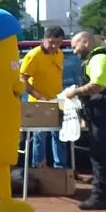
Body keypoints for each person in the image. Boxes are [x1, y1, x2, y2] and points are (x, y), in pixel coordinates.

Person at [62, 31, 106, 210]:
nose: (74, 51)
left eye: (75, 46)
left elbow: (98, 85)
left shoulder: (98, 59)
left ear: (85, 41)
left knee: (100, 156)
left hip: (103, 113)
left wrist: (74, 92)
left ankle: (100, 196)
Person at [20, 26, 69, 169]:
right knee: (39, 138)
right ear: (44, 39)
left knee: (59, 137)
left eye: (58, 43)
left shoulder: (59, 54)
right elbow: (22, 80)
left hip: (57, 101)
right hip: (38, 103)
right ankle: (38, 168)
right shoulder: (33, 55)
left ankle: (60, 169)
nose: (54, 46)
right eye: (51, 42)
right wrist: (39, 96)